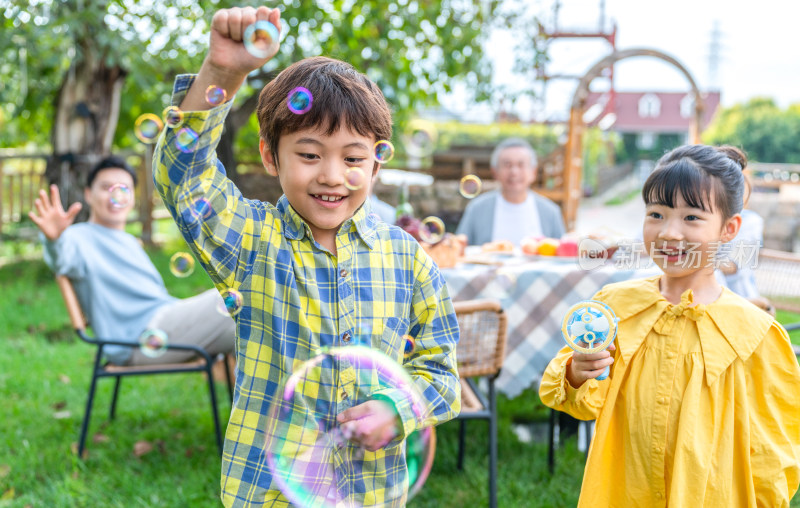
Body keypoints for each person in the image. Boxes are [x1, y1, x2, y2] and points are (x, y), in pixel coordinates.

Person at [152, 6, 459, 507]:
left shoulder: (407, 258)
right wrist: (224, 73)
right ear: (272, 156)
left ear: (376, 160)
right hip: (267, 491)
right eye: (310, 154)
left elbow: (442, 372)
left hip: (371, 491)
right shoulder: (252, 240)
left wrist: (397, 406)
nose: (333, 175)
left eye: (354, 157)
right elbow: (183, 180)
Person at [539, 145, 800, 506]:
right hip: (624, 492)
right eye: (657, 214)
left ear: (729, 229)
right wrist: (576, 372)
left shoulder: (755, 334)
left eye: (692, 217)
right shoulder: (614, 307)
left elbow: (775, 448)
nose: (670, 233)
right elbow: (572, 401)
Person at [29, 156, 235, 366]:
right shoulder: (78, 237)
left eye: (123, 189)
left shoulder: (128, 241)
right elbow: (61, 259)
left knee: (254, 324)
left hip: (166, 322)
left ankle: (259, 397)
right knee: (237, 297)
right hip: (139, 337)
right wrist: (54, 239)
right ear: (88, 194)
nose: (115, 195)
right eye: (106, 187)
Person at [456, 137, 565, 245]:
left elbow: (562, 255)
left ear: (534, 172)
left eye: (521, 165)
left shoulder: (550, 212)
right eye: (507, 165)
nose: (514, 172)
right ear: (495, 172)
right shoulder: (477, 209)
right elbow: (459, 247)